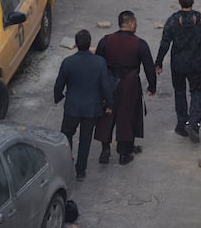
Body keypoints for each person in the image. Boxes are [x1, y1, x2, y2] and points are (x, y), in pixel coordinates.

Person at [94, 11, 157, 165]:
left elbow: (97, 63)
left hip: (109, 83)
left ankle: (105, 149)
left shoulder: (106, 41)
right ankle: (124, 153)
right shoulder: (140, 44)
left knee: (106, 115)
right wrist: (152, 86)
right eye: (135, 22)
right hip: (130, 85)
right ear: (130, 24)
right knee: (127, 116)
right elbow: (149, 67)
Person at [54, 29, 114, 181]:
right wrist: (109, 104)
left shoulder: (68, 62)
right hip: (91, 108)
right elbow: (105, 86)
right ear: (89, 44)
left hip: (72, 107)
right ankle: (80, 170)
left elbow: (58, 85)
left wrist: (58, 97)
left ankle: (67, 165)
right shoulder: (100, 62)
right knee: (85, 139)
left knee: (66, 136)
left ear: (76, 44)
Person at [155, 0, 201, 143]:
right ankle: (194, 124)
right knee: (196, 91)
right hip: (195, 63)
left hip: (178, 64)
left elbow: (165, 43)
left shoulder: (173, 21)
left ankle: (182, 124)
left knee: (179, 91)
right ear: (193, 1)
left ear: (179, 1)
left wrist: (158, 62)